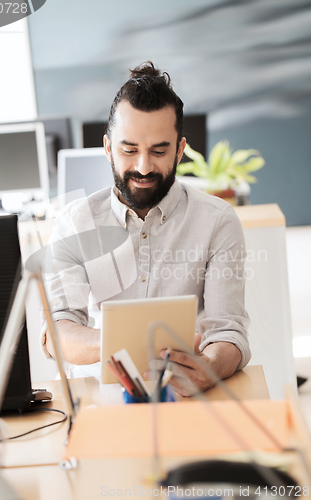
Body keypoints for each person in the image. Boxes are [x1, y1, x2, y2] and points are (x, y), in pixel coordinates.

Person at [40, 62, 250, 396]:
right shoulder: (74, 223)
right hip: (100, 395)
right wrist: (129, 341)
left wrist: (207, 369)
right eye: (129, 149)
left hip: (185, 394)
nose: (143, 167)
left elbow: (229, 333)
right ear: (108, 148)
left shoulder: (217, 220)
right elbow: (57, 333)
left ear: (179, 150)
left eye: (159, 150)